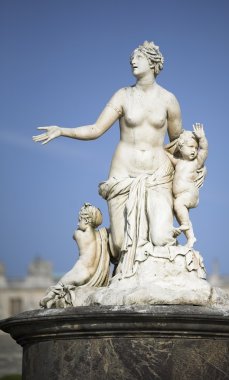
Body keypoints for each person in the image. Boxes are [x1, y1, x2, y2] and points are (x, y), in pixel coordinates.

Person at [33, 41, 205, 278]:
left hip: (158, 176)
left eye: (138, 57)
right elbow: (95, 129)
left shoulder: (169, 100)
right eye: (132, 58)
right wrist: (63, 130)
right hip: (123, 173)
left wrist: (196, 165)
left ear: (153, 62)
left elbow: (179, 143)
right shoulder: (123, 96)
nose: (133, 61)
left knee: (159, 237)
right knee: (120, 244)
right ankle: (99, 257)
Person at [39, 203, 110, 308]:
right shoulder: (102, 235)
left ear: (86, 221)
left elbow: (74, 235)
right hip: (93, 275)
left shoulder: (78, 234)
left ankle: (48, 299)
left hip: (79, 271)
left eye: (79, 220)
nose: (77, 224)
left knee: (58, 287)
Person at [168, 123, 208, 247]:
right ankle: (191, 238)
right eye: (191, 147)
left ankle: (184, 224)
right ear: (180, 147)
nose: (194, 151)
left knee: (178, 205)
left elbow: (204, 150)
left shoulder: (196, 162)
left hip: (190, 193)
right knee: (180, 213)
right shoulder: (178, 162)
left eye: (196, 148)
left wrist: (202, 138)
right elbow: (167, 155)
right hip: (181, 196)